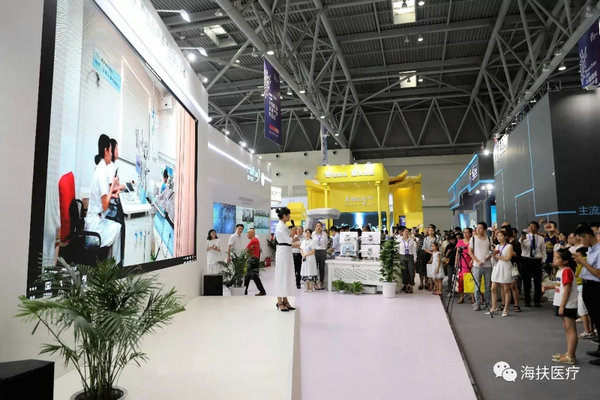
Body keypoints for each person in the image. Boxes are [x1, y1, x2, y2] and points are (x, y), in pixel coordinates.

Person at [85, 134, 122, 264]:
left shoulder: (101, 167)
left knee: (116, 226)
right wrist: (112, 188)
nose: (111, 154)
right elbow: (105, 205)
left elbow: (105, 197)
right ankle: (113, 266)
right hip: (95, 230)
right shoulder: (101, 173)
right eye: (111, 150)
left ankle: (109, 263)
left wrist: (111, 191)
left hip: (97, 220)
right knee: (118, 228)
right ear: (106, 150)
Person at [542, 249, 579, 364]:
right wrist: (548, 287)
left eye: (557, 258)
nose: (554, 260)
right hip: (561, 303)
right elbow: (559, 286)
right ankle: (569, 353)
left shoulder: (566, 271)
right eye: (554, 257)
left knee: (571, 329)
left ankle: (571, 356)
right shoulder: (560, 271)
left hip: (568, 304)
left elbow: (567, 290)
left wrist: (562, 306)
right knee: (567, 329)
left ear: (565, 261)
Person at [573, 224, 600, 365]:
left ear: (588, 236)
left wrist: (583, 263)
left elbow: (598, 273)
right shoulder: (591, 249)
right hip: (588, 286)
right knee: (595, 318)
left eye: (581, 240)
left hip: (596, 287)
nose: (581, 243)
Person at [274, 207, 300, 311]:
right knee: (282, 275)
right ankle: (279, 301)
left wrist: (293, 238)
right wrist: (293, 234)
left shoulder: (283, 225)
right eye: (288, 215)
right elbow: (288, 241)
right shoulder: (281, 226)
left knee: (286, 275)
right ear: (284, 215)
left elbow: (288, 240)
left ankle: (285, 300)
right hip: (283, 251)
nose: (290, 216)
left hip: (286, 251)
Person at [488, 229, 514, 317]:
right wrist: (493, 254)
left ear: (505, 237)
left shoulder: (509, 246)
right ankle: (494, 307)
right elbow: (494, 258)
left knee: (506, 289)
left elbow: (508, 258)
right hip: (497, 267)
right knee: (493, 288)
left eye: (501, 236)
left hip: (505, 267)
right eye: (498, 236)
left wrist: (498, 256)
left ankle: (506, 309)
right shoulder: (497, 246)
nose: (499, 238)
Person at [520, 221, 546, 307]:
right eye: (529, 226)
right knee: (526, 282)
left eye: (532, 226)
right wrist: (521, 240)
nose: (530, 228)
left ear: (537, 228)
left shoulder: (541, 238)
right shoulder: (524, 237)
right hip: (526, 260)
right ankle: (527, 300)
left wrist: (543, 261)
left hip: (537, 261)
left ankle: (537, 301)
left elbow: (543, 251)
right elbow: (521, 248)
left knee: (537, 282)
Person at [469, 222, 493, 310]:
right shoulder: (473, 239)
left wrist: (489, 256)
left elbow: (491, 250)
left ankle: (487, 303)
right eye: (477, 228)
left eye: (480, 228)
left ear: (485, 230)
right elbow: (470, 251)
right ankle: (477, 303)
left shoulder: (489, 239)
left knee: (487, 286)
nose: (478, 230)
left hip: (488, 265)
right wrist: (477, 261)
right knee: (477, 285)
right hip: (477, 265)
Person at [574, 247, 595, 339]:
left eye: (578, 256)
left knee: (582, 311)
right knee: (588, 311)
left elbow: (577, 275)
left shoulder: (583, 263)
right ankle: (591, 330)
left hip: (582, 287)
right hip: (584, 287)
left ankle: (587, 331)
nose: (576, 258)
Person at [244, 228, 266, 296]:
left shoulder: (253, 240)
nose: (247, 235)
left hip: (252, 260)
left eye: (248, 233)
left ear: (251, 234)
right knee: (250, 276)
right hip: (255, 259)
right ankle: (245, 291)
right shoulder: (256, 240)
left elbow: (246, 250)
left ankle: (262, 291)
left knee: (251, 276)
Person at [416, 224, 437, 290]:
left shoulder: (436, 238)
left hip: (433, 254)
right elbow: (423, 247)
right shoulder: (424, 238)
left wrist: (432, 253)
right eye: (429, 230)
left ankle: (427, 283)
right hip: (423, 254)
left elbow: (437, 247)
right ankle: (421, 283)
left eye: (431, 230)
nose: (430, 231)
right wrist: (430, 252)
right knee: (421, 269)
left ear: (434, 231)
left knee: (428, 269)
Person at [455, 229, 473, 304]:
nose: (465, 234)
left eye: (467, 232)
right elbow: (457, 253)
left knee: (470, 280)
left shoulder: (472, 241)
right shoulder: (460, 241)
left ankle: (472, 297)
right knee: (460, 281)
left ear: (470, 233)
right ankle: (461, 297)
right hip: (461, 262)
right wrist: (456, 263)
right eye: (464, 232)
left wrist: (473, 260)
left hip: (470, 262)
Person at [398, 227, 417, 293]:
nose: (406, 233)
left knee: (411, 271)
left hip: (410, 256)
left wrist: (415, 258)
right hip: (402, 256)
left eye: (407, 232)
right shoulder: (399, 240)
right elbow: (397, 249)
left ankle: (411, 285)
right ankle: (406, 285)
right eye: (405, 231)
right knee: (404, 271)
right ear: (402, 232)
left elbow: (414, 250)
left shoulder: (411, 240)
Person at [312, 222, 328, 290]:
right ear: (315, 227)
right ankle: (315, 283)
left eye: (320, 226)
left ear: (322, 227)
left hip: (322, 251)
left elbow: (326, 243)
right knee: (315, 267)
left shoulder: (324, 234)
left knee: (322, 268)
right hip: (315, 251)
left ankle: (321, 282)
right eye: (317, 226)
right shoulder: (313, 234)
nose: (318, 227)